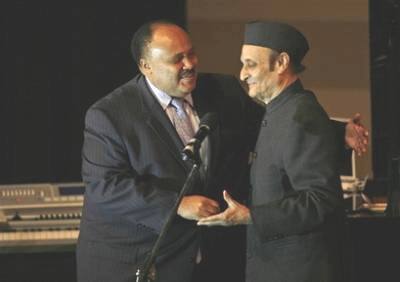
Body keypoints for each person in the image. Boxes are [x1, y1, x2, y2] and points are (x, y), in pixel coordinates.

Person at [77, 20, 367, 282]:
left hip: (210, 261)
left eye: (191, 53)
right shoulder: (110, 115)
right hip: (142, 261)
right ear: (146, 66)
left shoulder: (222, 90)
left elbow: (275, 124)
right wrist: (176, 205)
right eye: (177, 59)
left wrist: (340, 132)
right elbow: (105, 186)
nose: (190, 64)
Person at [198, 21, 348, 282]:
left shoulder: (301, 115)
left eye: (251, 64)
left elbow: (321, 199)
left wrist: (251, 216)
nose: (243, 74)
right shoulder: (279, 110)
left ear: (281, 63)